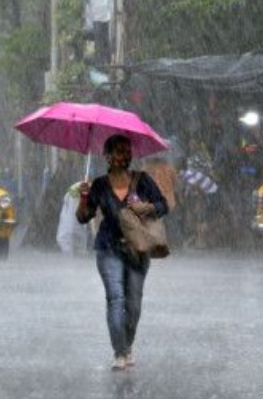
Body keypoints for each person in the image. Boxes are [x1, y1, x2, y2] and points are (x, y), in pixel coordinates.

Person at [76, 134, 168, 370]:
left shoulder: (143, 180)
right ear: (107, 156)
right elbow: (83, 217)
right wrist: (83, 197)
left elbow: (163, 206)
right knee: (115, 299)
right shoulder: (98, 185)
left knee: (134, 303)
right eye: (118, 151)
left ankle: (127, 346)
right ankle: (119, 352)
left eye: (127, 151)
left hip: (137, 249)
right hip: (108, 248)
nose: (124, 155)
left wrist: (145, 208)